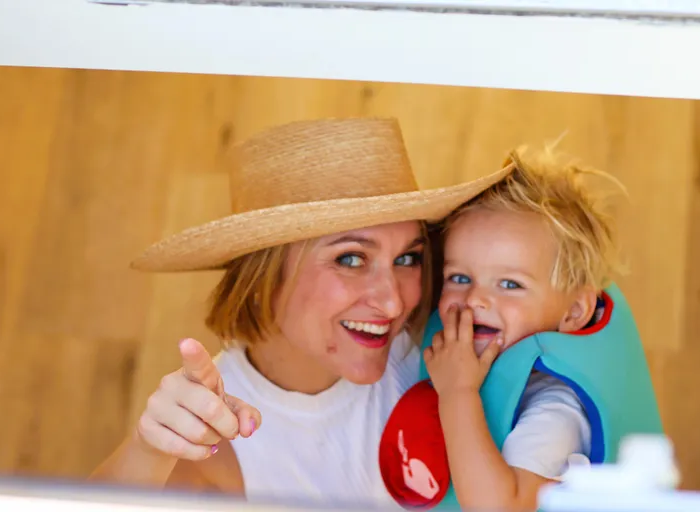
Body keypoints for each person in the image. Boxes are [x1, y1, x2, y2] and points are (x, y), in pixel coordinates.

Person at [89, 117, 512, 509]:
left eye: (407, 259)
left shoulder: (448, 353)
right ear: (263, 277)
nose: (394, 303)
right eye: (351, 259)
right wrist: (149, 447)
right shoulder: (217, 440)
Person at [377, 145, 664, 511]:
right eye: (460, 277)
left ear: (574, 312)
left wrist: (458, 393)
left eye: (510, 284)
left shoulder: (556, 409)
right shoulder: (456, 341)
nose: (476, 299)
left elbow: (500, 507)